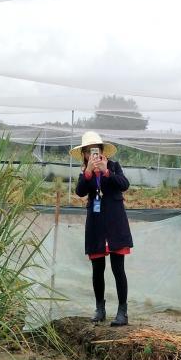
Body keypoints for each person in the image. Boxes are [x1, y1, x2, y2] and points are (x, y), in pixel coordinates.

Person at [73, 131, 133, 327]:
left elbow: (124, 185)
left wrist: (107, 172)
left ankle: (122, 311)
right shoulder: (85, 172)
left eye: (96, 150)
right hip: (96, 225)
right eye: (88, 152)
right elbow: (80, 191)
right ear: (84, 155)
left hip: (115, 223)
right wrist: (88, 173)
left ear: (102, 151)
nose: (93, 155)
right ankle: (100, 308)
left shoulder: (113, 166)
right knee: (97, 269)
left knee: (118, 268)